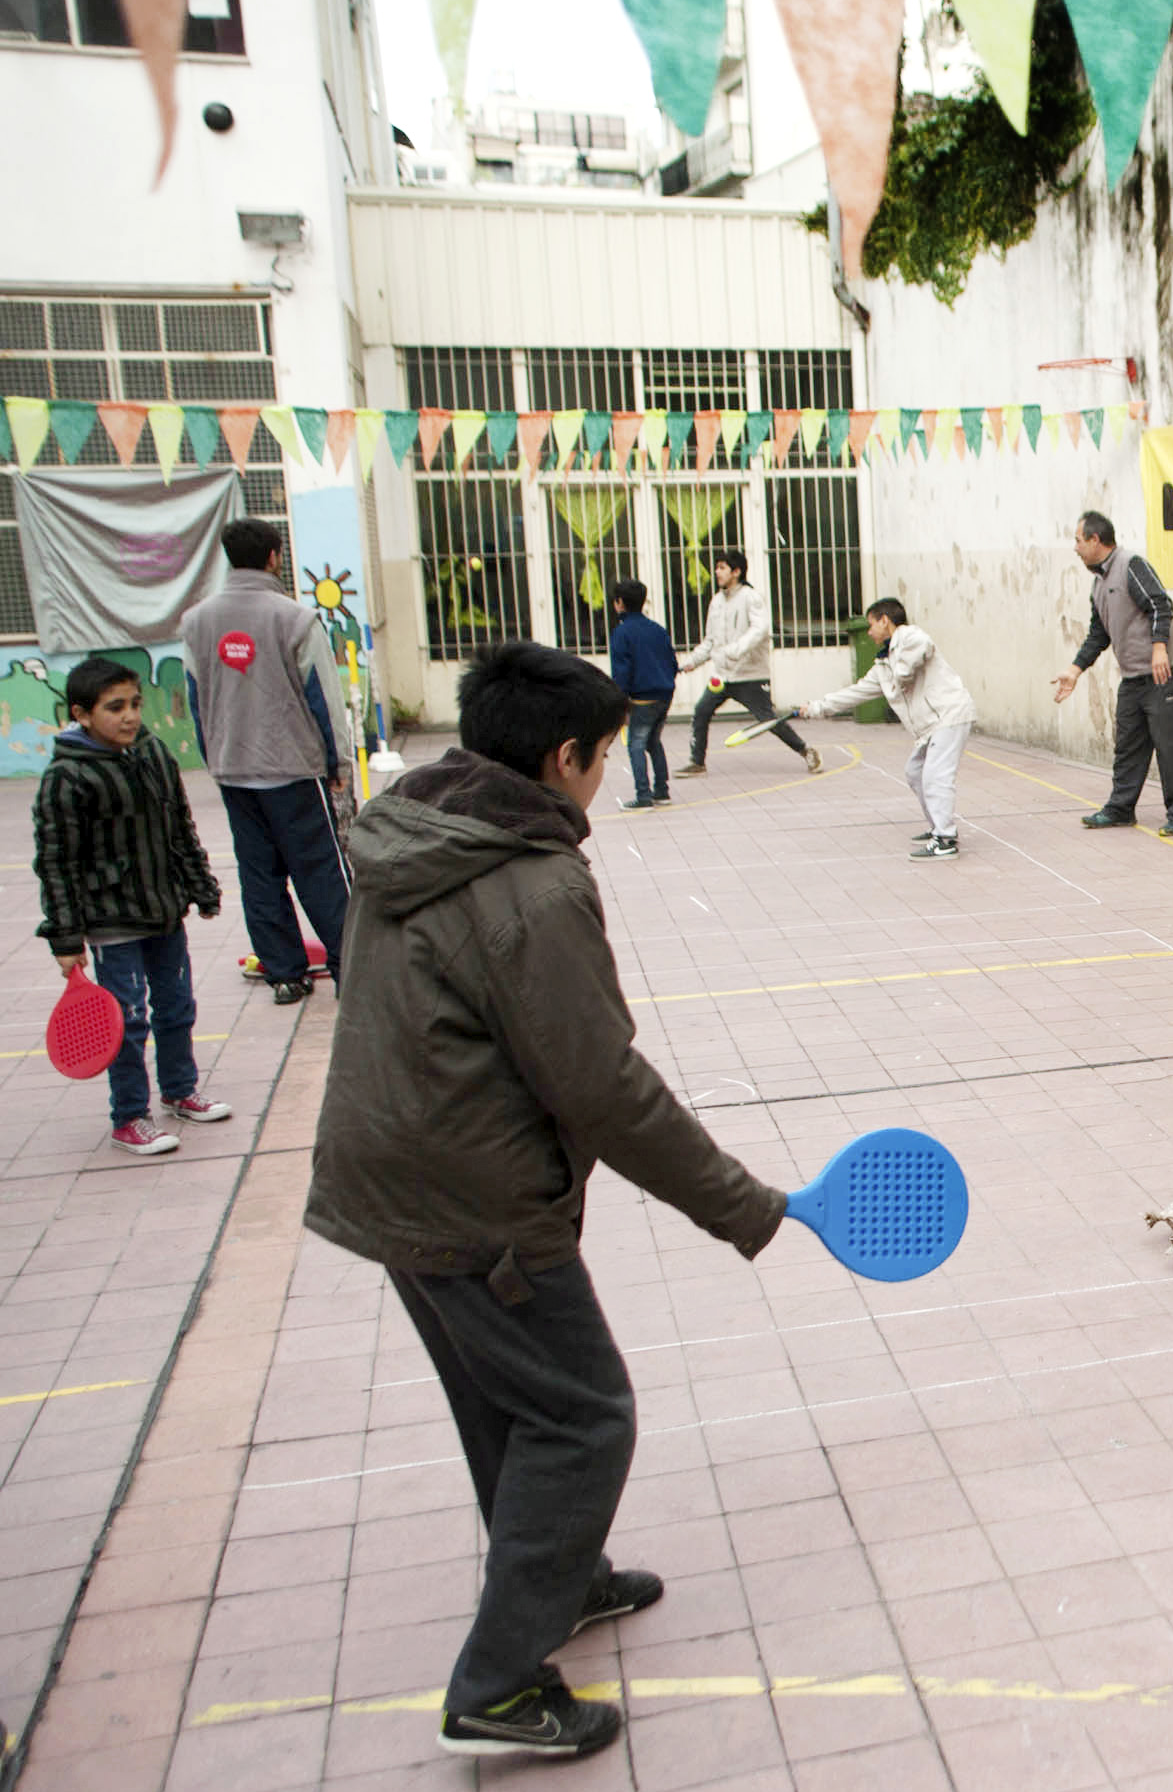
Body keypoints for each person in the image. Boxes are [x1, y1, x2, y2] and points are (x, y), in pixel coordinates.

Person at [305, 642, 788, 1759]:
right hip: (471, 1196)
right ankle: (499, 1683)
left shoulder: (412, 829)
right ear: (562, 757)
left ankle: (560, 1578)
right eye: (607, 757)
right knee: (585, 1415)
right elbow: (602, 1085)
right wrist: (741, 1204)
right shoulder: (527, 880)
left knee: (508, 1404)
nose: (607, 776)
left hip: (391, 1172)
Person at [32, 656, 231, 1156]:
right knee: (126, 1020)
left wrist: (200, 886)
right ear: (81, 713)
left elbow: (179, 827)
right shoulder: (66, 777)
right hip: (109, 921)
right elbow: (55, 861)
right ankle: (129, 1117)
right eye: (114, 707)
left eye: (135, 704)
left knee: (177, 1005)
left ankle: (180, 1090)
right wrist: (65, 937)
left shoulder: (153, 753)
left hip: (164, 910)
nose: (130, 716)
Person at [179, 518, 350, 1006]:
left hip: (234, 769)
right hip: (294, 769)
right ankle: (348, 965)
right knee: (320, 870)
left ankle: (284, 974)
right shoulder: (295, 619)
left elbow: (195, 697)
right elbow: (323, 698)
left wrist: (216, 757)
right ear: (275, 556)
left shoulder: (196, 623)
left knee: (259, 872)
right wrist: (336, 766)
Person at [1051, 511, 1173, 836]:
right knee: (1127, 743)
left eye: (1077, 540)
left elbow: (1160, 604)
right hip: (1133, 676)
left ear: (1095, 540)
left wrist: (1160, 647)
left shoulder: (1131, 565)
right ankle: (1120, 808)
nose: (1075, 548)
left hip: (1163, 672)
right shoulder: (1100, 582)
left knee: (1168, 743)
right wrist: (1075, 670)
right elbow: (1098, 633)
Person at [802, 594, 974, 859]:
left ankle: (946, 839)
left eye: (871, 625)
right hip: (931, 725)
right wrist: (817, 707)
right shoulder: (883, 665)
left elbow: (922, 647)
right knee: (915, 772)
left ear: (885, 621)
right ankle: (937, 827)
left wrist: (902, 670)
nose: (869, 632)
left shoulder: (908, 635)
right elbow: (857, 692)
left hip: (949, 714)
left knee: (935, 776)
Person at [674, 549, 818, 777]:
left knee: (768, 720)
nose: (717, 572)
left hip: (750, 676)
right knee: (701, 710)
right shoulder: (716, 601)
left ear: (737, 571)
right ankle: (697, 761)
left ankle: (805, 750)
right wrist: (690, 662)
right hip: (722, 677)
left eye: (722, 567)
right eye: (717, 567)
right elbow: (711, 641)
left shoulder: (751, 597)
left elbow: (759, 630)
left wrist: (735, 650)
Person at [605, 581, 676, 811]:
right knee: (653, 741)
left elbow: (622, 671)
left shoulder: (621, 632)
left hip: (641, 697)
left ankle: (643, 796)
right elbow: (672, 663)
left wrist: (619, 701)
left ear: (619, 604)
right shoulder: (658, 629)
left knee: (636, 744)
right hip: (665, 693)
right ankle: (662, 791)